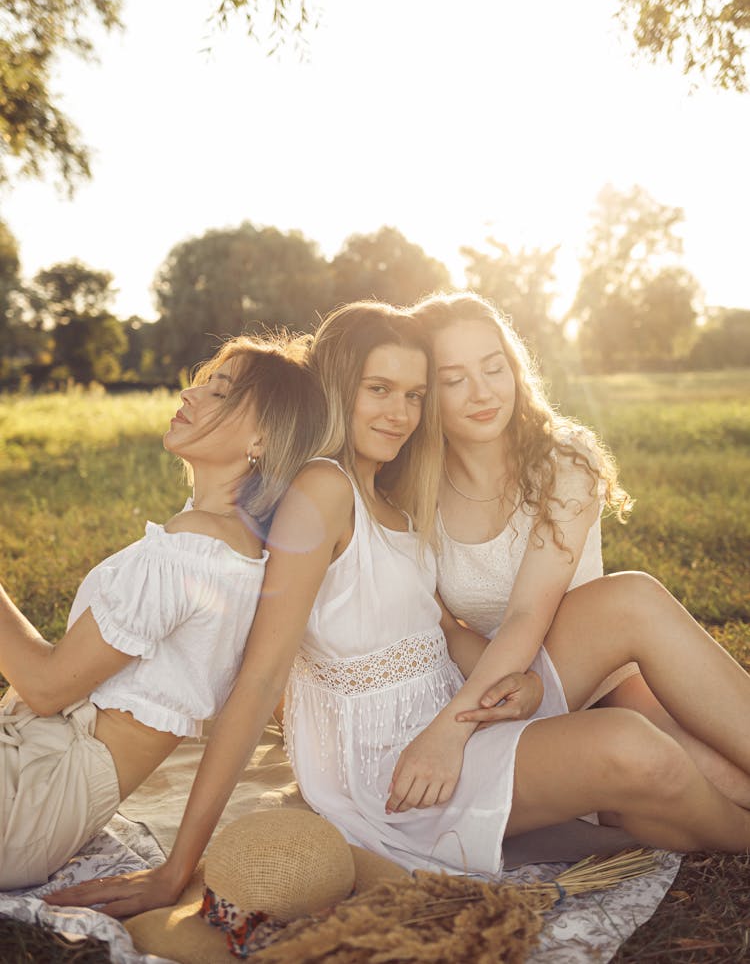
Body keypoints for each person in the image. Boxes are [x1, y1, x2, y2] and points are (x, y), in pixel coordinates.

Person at [49, 300, 750, 919]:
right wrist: (179, 864)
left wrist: (526, 688)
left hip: (454, 710)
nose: (399, 412)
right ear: (335, 390)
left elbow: (442, 632)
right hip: (385, 764)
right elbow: (259, 682)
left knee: (633, 629)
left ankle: (663, 805)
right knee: (636, 750)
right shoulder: (323, 491)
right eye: (378, 389)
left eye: (413, 394)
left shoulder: (396, 492)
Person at [396, 290, 750, 811]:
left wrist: (451, 729)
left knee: (730, 783)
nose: (482, 392)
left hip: (595, 672)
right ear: (425, 392)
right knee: (671, 787)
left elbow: (525, 614)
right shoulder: (411, 489)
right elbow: (446, 627)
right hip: (498, 688)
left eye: (494, 368)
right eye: (454, 380)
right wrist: (491, 699)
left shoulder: (564, 459)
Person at [0, 333, 325, 890]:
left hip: (32, 796)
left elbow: (48, 687)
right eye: (201, 384)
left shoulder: (192, 551)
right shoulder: (231, 545)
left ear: (262, 438)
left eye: (219, 393)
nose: (190, 396)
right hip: (41, 783)